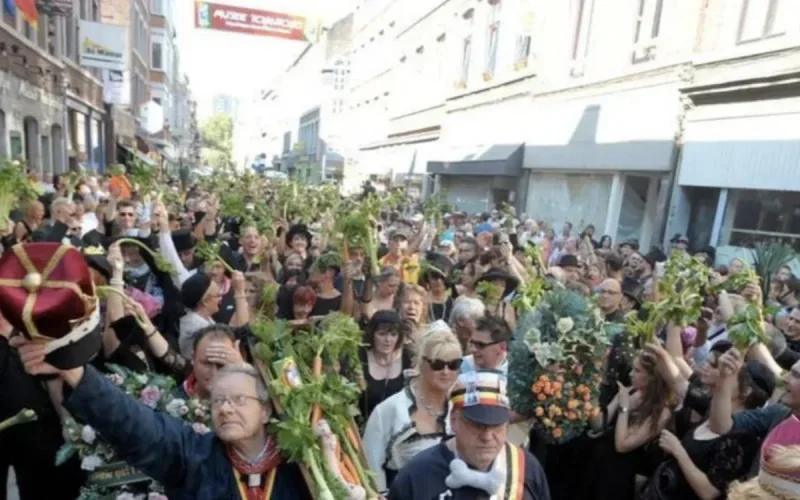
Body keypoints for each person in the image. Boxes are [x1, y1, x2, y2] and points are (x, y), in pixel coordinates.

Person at [11, 340, 313, 500]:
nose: (225, 409)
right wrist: (74, 373)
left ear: (266, 411)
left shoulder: (301, 467)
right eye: (218, 400)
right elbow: (136, 424)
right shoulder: (193, 455)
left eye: (239, 400)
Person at [389, 370, 551, 499]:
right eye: (477, 426)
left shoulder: (526, 468)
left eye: (496, 426)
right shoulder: (418, 474)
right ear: (454, 420)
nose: (487, 437)